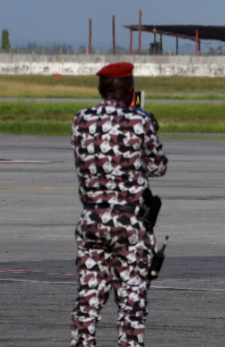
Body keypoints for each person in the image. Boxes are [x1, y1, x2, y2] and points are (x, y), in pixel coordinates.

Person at [71, 62, 167, 347]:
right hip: (128, 223)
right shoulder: (140, 121)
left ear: (101, 89)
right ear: (128, 90)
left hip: (91, 220)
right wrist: (150, 130)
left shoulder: (80, 120)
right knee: (131, 304)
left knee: (87, 301)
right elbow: (158, 166)